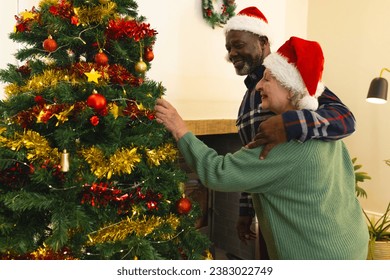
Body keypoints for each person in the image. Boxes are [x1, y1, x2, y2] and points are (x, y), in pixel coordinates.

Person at [154, 37, 369, 259]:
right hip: (351, 244)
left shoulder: (282, 144)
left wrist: (180, 128)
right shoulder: (325, 132)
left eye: (267, 79)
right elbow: (256, 172)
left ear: (290, 88)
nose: (258, 86)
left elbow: (218, 172)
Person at [223, 6, 357, 257]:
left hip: (309, 228)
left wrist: (290, 124)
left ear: (262, 42)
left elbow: (346, 118)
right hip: (271, 219)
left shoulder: (293, 76)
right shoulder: (246, 102)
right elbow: (251, 160)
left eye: (238, 45)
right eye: (229, 48)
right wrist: (245, 211)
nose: (232, 53)